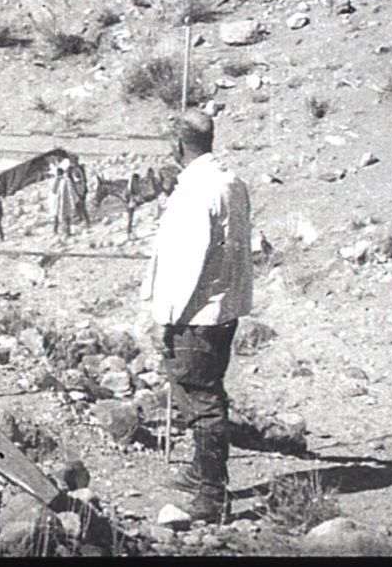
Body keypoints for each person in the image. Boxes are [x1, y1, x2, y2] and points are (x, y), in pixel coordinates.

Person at [147, 111, 253, 522]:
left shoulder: (196, 191)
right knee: (208, 390)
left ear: (178, 145)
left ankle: (212, 495)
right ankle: (201, 472)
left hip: (195, 312)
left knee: (202, 400)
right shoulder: (230, 182)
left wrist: (165, 317)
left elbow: (184, 261)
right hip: (222, 308)